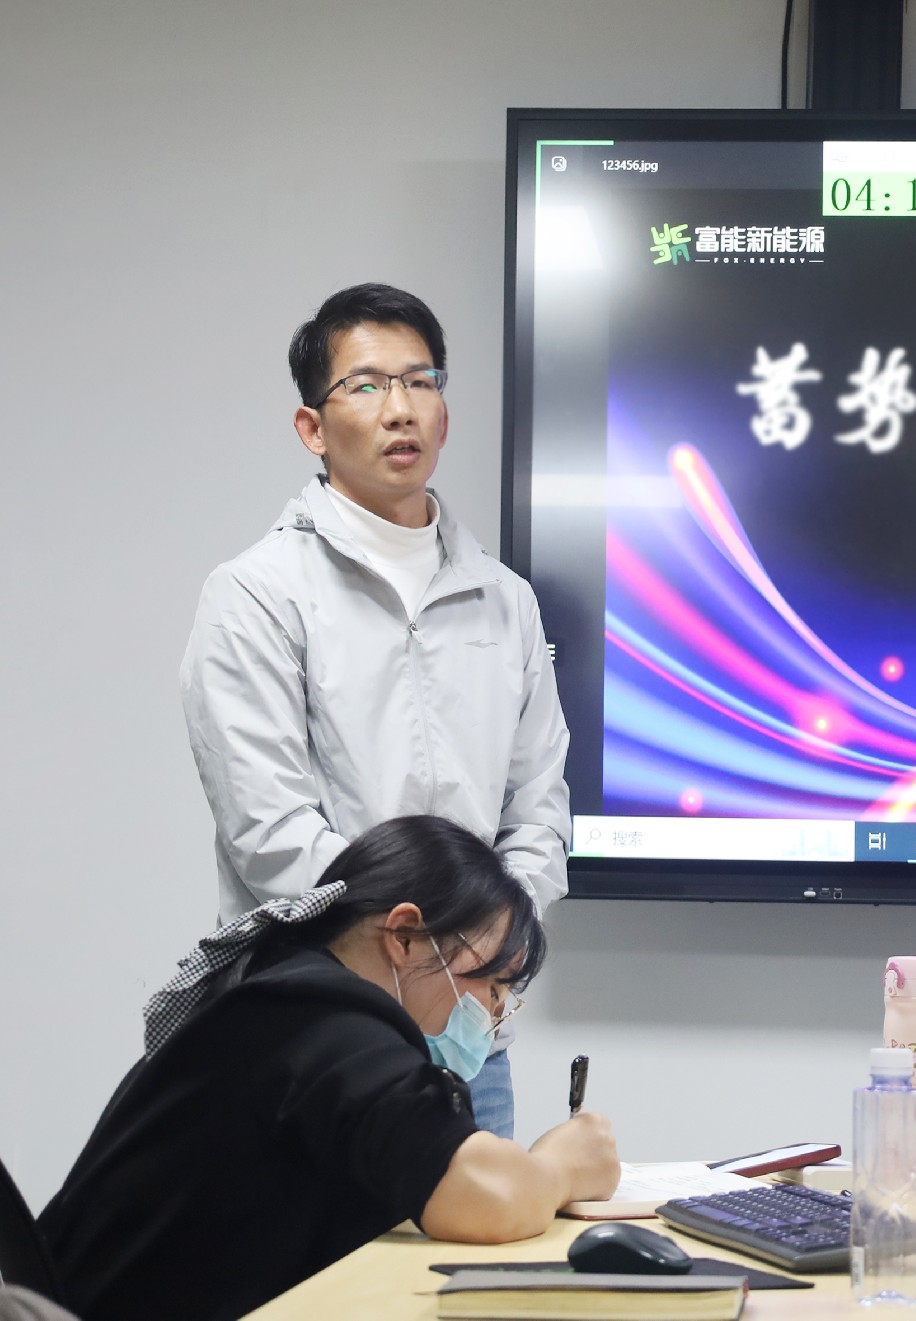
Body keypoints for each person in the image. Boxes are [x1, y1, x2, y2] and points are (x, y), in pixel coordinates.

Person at [179, 283, 569, 1137]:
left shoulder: (506, 600)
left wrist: (482, 959)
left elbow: (539, 810)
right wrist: (421, 959)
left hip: (471, 1043)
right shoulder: (256, 594)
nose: (401, 408)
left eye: (421, 381)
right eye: (366, 385)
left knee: (483, 1225)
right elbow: (272, 833)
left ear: (444, 412)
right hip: (317, 1036)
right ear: (312, 428)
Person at [37, 816, 619, 1321]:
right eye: (491, 985)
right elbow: (484, 1195)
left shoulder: (283, 995)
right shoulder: (322, 1021)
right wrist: (560, 1166)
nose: (492, 1015)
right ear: (406, 936)